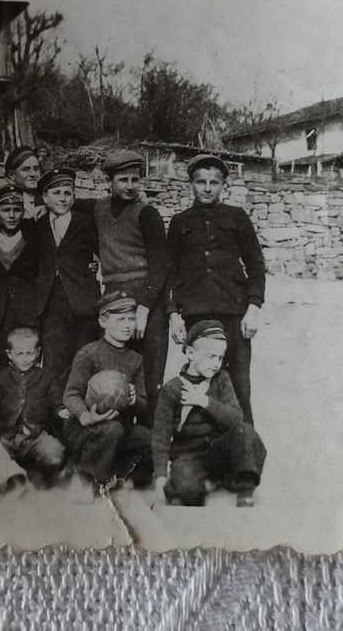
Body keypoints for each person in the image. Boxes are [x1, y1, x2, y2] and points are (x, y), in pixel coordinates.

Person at [166, 154, 266, 423]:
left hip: (234, 313)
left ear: (224, 185)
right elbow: (170, 272)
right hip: (197, 316)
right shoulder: (179, 222)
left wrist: (254, 306)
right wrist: (173, 313)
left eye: (214, 182)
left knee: (239, 387)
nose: (207, 188)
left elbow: (256, 263)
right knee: (199, 383)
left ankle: (246, 455)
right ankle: (204, 454)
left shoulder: (237, 217)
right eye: (201, 182)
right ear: (191, 184)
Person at [91, 149, 170, 426]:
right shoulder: (98, 208)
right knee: (117, 372)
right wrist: (39, 203)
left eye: (135, 179)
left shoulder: (147, 213)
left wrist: (146, 308)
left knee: (150, 378)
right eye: (122, 179)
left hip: (148, 298)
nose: (129, 186)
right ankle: (120, 446)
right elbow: (63, 203)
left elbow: (161, 264)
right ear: (109, 181)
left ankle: (150, 451)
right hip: (113, 297)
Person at [152, 320, 266, 507]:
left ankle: (244, 489)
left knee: (245, 432)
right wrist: (160, 476)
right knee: (186, 491)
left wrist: (204, 401)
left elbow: (236, 418)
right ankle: (206, 483)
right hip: (189, 455)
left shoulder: (221, 380)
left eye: (220, 358)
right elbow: (160, 436)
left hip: (218, 451)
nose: (216, 364)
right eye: (211, 357)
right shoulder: (172, 389)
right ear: (190, 353)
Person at [62, 291, 153, 493]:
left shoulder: (136, 359)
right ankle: (86, 477)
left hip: (119, 427)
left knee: (151, 440)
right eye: (121, 319)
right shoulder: (88, 353)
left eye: (131, 319)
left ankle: (118, 474)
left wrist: (134, 398)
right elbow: (71, 394)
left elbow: (144, 403)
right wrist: (85, 416)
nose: (128, 325)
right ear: (103, 321)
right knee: (113, 430)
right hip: (84, 428)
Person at [0, 327, 65, 486]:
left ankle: (29, 471)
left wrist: (63, 411)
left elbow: (57, 403)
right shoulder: (1, 380)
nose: (25, 359)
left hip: (35, 438)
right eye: (19, 354)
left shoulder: (47, 377)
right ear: (9, 354)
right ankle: (0, 473)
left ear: (38, 352)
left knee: (56, 455)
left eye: (30, 353)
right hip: (5, 439)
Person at [35, 167, 101, 407]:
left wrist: (95, 269)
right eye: (56, 192)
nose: (63, 198)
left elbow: (103, 251)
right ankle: (58, 417)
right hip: (51, 304)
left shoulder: (85, 222)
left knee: (84, 360)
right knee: (54, 363)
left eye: (68, 192)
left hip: (84, 304)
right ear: (44, 197)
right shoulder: (37, 224)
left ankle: (84, 413)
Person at [0, 184, 40, 376]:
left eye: (17, 210)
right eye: (6, 210)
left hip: (26, 314)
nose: (12, 215)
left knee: (28, 368)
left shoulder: (34, 234)